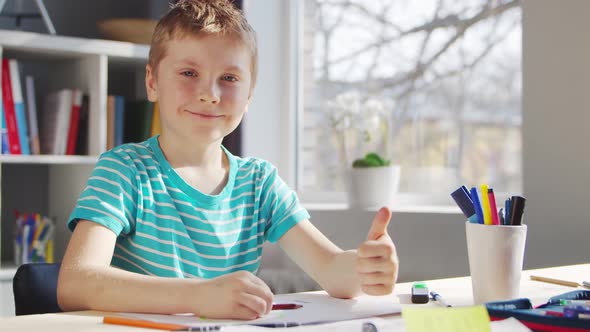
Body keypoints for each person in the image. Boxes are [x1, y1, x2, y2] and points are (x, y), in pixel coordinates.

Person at [57, 0, 398, 320]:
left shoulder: (259, 183)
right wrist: (198, 296)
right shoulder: (125, 171)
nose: (210, 93)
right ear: (152, 82)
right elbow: (75, 284)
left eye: (229, 78)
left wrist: (364, 269)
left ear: (249, 95)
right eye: (189, 73)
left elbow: (332, 270)